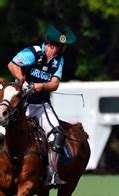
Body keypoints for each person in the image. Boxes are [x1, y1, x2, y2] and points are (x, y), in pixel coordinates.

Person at [7, 24, 77, 186]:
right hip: (21, 103)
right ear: (52, 45)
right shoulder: (33, 53)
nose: (62, 49)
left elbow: (55, 83)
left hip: (41, 105)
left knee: (57, 133)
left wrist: (42, 86)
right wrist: (22, 80)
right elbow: (12, 65)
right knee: (3, 129)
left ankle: (52, 173)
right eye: (61, 46)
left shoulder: (59, 60)